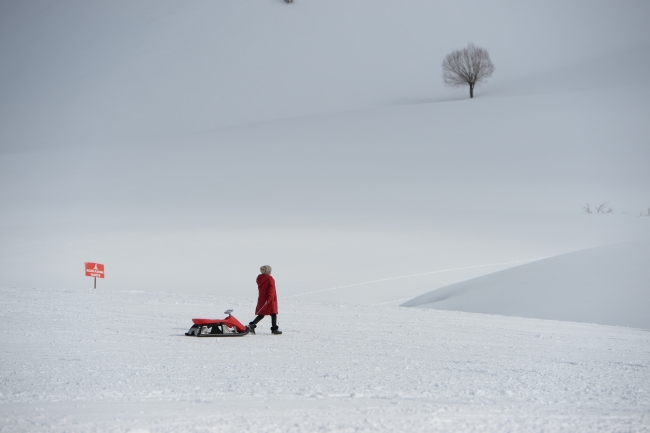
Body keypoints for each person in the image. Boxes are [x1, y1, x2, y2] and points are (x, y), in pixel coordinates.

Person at [248, 265, 282, 335]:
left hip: (262, 298)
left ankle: (252, 325)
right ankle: (274, 329)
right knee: (273, 313)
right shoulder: (270, 279)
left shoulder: (259, 278)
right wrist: (269, 299)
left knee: (261, 314)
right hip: (269, 299)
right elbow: (271, 291)